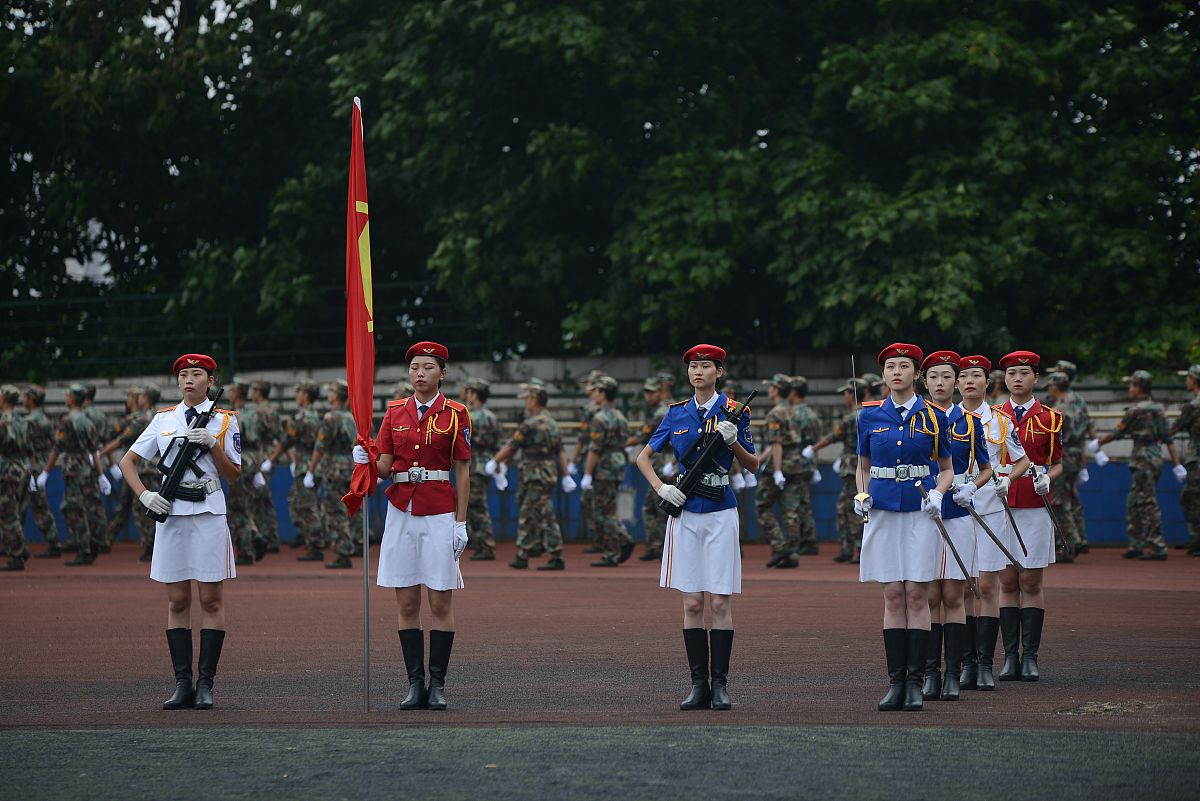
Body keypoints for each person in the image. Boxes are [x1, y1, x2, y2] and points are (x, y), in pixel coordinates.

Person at [635, 344, 757, 711]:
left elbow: (753, 466)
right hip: (686, 511)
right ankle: (697, 684)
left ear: (719, 372)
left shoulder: (736, 411)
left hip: (721, 511)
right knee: (691, 602)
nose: (698, 372)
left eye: (706, 366)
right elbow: (644, 458)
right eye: (693, 366)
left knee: (719, 600)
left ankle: (720, 684)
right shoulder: (676, 414)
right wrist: (662, 487)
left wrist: (734, 443)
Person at [119, 353, 241, 710]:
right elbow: (127, 462)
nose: (189, 379)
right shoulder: (163, 420)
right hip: (171, 514)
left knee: (211, 600)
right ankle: (182, 684)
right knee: (177, 600)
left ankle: (206, 684)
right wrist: (145, 495)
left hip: (207, 513)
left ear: (210, 380)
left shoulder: (224, 421)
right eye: (183, 374)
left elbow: (234, 475)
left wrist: (212, 444)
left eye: (197, 374)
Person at [353, 341, 471, 711]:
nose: (419, 373)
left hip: (439, 510)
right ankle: (414, 684)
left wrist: (461, 522)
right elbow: (386, 467)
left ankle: (438, 683)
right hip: (401, 508)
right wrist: (367, 457)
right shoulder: (395, 412)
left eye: (427, 367)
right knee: (406, 599)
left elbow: (464, 468)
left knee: (439, 597)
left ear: (442, 373)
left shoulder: (456, 413)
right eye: (415, 367)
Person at [856, 343, 954, 712]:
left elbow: (946, 468)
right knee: (892, 595)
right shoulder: (868, 415)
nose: (896, 371)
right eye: (890, 366)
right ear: (883, 375)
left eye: (904, 366)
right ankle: (895, 682)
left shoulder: (933, 416)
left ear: (916, 374)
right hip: (881, 510)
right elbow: (863, 465)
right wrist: (861, 494)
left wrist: (938, 494)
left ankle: (916, 682)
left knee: (916, 593)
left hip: (918, 511)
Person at [917, 351, 992, 702]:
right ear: (925, 381)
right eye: (933, 377)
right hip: (924, 510)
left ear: (956, 381)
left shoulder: (970, 422)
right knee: (930, 594)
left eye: (948, 376)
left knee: (955, 593)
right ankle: (930, 673)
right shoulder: (915, 419)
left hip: (959, 510)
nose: (941, 383)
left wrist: (972, 487)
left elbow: (986, 467)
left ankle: (953, 672)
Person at [956, 356, 1028, 691]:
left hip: (989, 508)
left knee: (987, 586)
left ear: (988, 383)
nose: (969, 380)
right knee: (961, 587)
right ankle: (965, 661)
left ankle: (985, 662)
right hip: (956, 508)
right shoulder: (945, 419)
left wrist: (1008, 480)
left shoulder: (1000, 421)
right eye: (964, 376)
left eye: (976, 375)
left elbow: (1023, 459)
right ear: (957, 384)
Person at [993, 350, 1062, 681]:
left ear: (1036, 378)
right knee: (1007, 580)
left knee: (1031, 580)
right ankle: (1009, 656)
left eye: (1023, 372)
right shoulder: (991, 416)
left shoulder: (1049, 418)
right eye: (1011, 373)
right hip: (1001, 503)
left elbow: (1058, 460)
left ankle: (1030, 655)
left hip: (1034, 505)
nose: (1016, 378)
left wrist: (1049, 476)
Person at [1093, 370, 1184, 561]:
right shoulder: (1158, 409)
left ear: (1139, 387)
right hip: (1155, 457)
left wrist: (1098, 443)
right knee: (1134, 501)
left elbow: (1118, 432)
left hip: (1143, 459)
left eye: (1132, 385)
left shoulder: (1136, 411)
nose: (1130, 389)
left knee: (1147, 502)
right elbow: (1168, 438)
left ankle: (1157, 546)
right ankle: (1138, 544)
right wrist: (1176, 464)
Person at [489, 378, 576, 570]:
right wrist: (566, 474)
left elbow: (512, 446)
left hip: (534, 474)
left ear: (534, 400)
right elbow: (560, 450)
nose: (526, 402)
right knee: (537, 512)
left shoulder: (530, 424)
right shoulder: (552, 423)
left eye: (527, 398)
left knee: (537, 513)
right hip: (545, 473)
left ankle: (541, 553)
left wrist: (495, 461)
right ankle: (533, 550)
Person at [44, 383, 109, 565]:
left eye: (67, 396)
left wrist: (45, 471)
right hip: (87, 467)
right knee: (89, 505)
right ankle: (96, 541)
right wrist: (100, 474)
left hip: (73, 468)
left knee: (73, 508)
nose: (66, 399)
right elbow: (94, 450)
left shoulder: (67, 421)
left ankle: (84, 549)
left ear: (72, 399)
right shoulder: (88, 421)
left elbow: (57, 448)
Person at [811, 378, 871, 562]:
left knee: (852, 508)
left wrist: (814, 448)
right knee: (846, 508)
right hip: (858, 464)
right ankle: (849, 547)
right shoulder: (870, 413)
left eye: (846, 393)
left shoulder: (852, 417)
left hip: (853, 466)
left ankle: (858, 548)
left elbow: (833, 436)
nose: (844, 397)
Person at [263, 381, 323, 558]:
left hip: (305, 465)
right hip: (313, 465)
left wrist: (271, 460)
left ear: (306, 394)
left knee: (305, 506)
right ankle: (309, 535)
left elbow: (286, 442)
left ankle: (316, 543)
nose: (297, 396)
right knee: (299, 502)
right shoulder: (316, 416)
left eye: (299, 392)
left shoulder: (300, 418)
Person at [309, 380, 361, 569]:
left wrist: (311, 470)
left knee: (334, 510)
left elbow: (320, 447)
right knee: (349, 508)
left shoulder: (331, 418)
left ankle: (343, 551)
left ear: (337, 395)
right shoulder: (351, 417)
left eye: (331, 390)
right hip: (350, 466)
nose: (328, 394)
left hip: (334, 468)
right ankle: (355, 542)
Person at [582, 375, 634, 567]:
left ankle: (614, 549)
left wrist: (587, 473)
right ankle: (620, 541)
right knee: (609, 508)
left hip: (604, 465)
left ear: (602, 393)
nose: (593, 394)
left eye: (596, 390)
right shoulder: (620, 416)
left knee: (603, 512)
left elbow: (595, 448)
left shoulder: (599, 417)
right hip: (618, 463)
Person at [1052, 360, 1097, 553]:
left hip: (1065, 453)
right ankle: (1079, 538)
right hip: (1076, 453)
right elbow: (1088, 427)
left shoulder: (1061, 405)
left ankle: (1071, 541)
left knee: (1061, 501)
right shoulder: (1078, 399)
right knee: (1071, 498)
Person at [756, 374, 799, 568]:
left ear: (776, 390)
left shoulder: (775, 413)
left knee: (762, 505)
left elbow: (776, 443)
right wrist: (760, 460)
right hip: (795, 464)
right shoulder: (793, 410)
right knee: (790, 510)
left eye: (771, 387)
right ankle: (792, 553)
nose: (769, 390)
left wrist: (777, 470)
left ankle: (779, 545)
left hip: (780, 465)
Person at [98, 385, 143, 548]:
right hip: (133, 466)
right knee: (124, 505)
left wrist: (100, 454)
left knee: (138, 506)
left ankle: (150, 545)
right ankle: (107, 540)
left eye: (131, 395)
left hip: (139, 467)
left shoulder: (138, 418)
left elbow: (119, 440)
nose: (128, 399)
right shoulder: (133, 417)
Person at [631, 376, 672, 561]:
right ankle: (657, 546)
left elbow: (645, 436)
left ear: (661, 392)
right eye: (646, 392)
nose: (648, 396)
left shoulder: (660, 413)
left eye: (652, 392)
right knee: (652, 507)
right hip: (659, 464)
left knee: (659, 507)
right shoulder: (656, 411)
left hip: (664, 464)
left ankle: (663, 547)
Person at [462, 378, 500, 561]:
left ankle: (486, 545)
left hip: (474, 463)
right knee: (474, 505)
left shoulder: (470, 416)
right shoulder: (492, 416)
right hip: (486, 463)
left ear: (474, 395)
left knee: (477, 506)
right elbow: (498, 443)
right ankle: (478, 540)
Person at [224, 378, 261, 565]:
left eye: (232, 390)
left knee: (238, 507)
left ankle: (246, 549)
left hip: (240, 461)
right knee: (246, 504)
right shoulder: (253, 414)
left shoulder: (234, 416)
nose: (229, 393)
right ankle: (254, 534)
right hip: (252, 460)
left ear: (237, 393)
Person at [22, 386, 62, 557]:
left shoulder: (28, 421)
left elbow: (26, 446)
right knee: (28, 506)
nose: (23, 400)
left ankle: (53, 543)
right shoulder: (45, 419)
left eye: (26, 397)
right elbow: (54, 443)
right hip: (40, 465)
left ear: (31, 399)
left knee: (38, 506)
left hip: (31, 466)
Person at [788, 376, 823, 556]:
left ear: (793, 392)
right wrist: (815, 464)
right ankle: (809, 538)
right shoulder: (812, 413)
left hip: (794, 462)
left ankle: (800, 542)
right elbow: (816, 441)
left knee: (794, 504)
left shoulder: (792, 413)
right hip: (809, 462)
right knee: (805, 503)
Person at [248, 380, 282, 554]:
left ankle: (263, 537)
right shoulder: (272, 410)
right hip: (269, 454)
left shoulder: (258, 412)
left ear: (259, 392)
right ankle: (270, 536)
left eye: (254, 390)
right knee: (264, 499)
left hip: (261, 454)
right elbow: (281, 436)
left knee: (257, 498)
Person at [0, 384, 30, 571]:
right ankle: (19, 548)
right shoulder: (22, 421)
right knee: (14, 510)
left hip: (6, 469)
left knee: (8, 513)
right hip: (21, 467)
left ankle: (17, 554)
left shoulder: (4, 421)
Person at [1171, 365, 1200, 556]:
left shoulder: (1192, 406)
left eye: (1188, 377)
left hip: (1196, 459)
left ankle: (1196, 539)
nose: (1186, 381)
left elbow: (1173, 429)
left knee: (1190, 499)